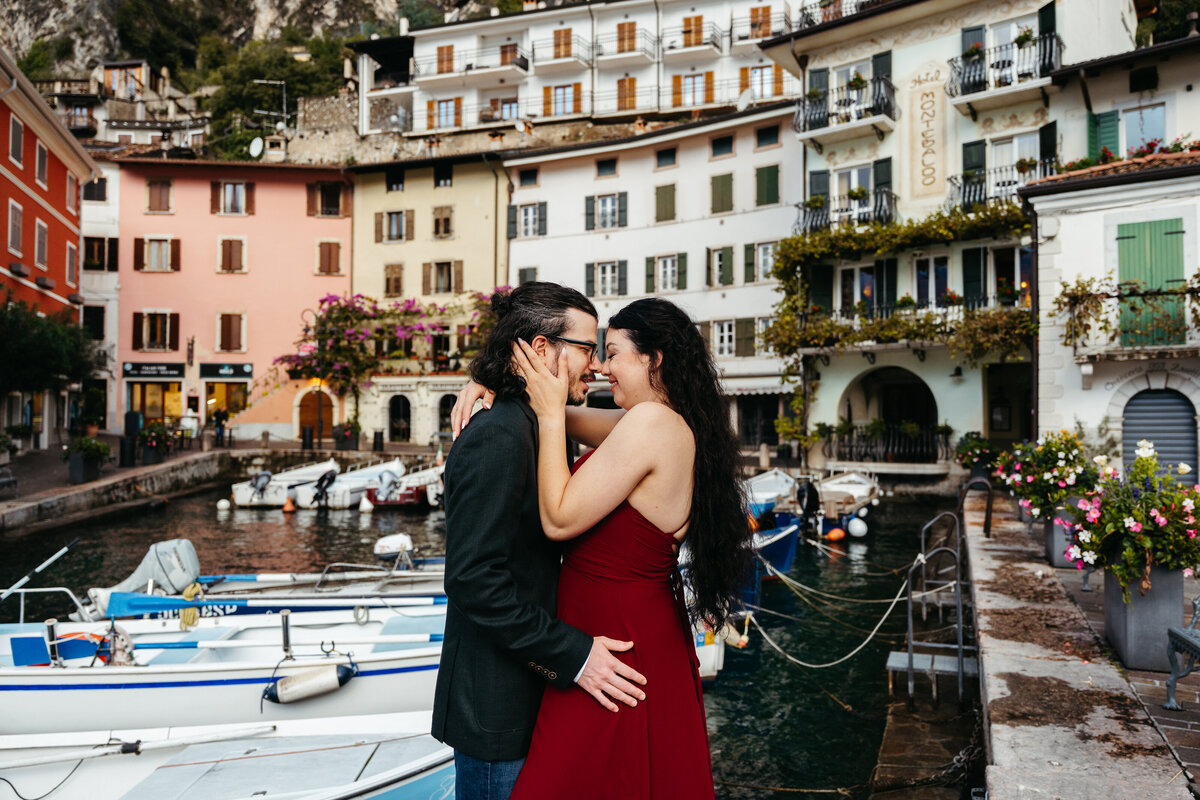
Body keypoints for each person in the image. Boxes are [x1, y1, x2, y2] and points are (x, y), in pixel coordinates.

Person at [458, 297, 753, 799]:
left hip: (617, 640)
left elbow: (558, 519)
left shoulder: (652, 425)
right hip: (623, 630)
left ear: (652, 359)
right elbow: (572, 416)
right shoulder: (655, 421)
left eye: (612, 353)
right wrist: (494, 380)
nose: (602, 366)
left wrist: (550, 415)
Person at [432, 282, 649, 800]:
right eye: (586, 349)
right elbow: (472, 580)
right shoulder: (499, 433)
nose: (594, 366)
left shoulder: (541, 425)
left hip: (533, 691)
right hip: (498, 708)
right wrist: (574, 654)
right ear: (540, 348)